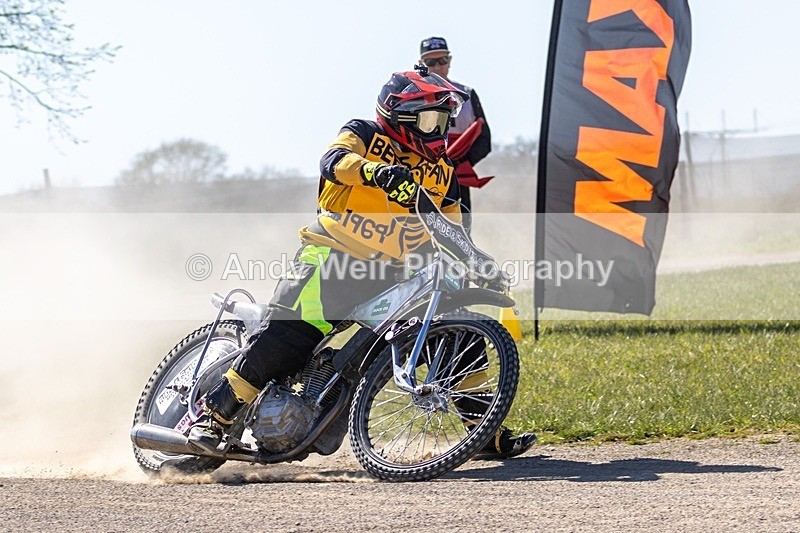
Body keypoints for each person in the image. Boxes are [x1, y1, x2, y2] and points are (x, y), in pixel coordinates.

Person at [189, 68, 534, 460]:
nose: (440, 130)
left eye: (444, 119)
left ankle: (481, 430)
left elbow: (452, 229)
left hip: (392, 274)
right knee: (291, 337)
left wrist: (478, 261)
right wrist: (377, 172)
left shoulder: (443, 170)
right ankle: (212, 417)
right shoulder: (365, 134)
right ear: (400, 115)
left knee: (458, 335)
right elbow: (333, 161)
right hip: (333, 257)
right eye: (430, 119)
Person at [419, 36, 492, 223]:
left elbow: (484, 141)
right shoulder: (410, 96)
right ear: (421, 64)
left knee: (461, 238)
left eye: (442, 60)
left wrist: (459, 163)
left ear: (449, 61)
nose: (437, 66)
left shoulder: (467, 94)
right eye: (430, 62)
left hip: (456, 182)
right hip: (420, 182)